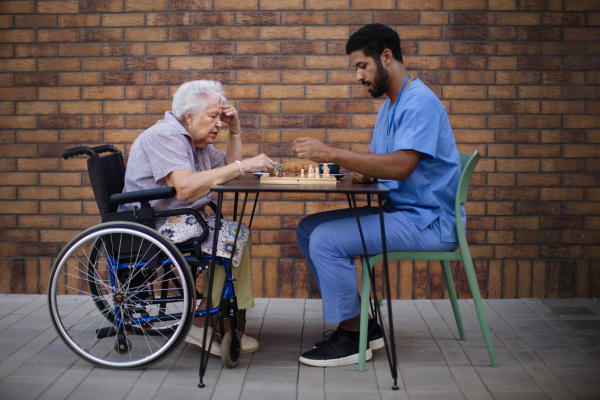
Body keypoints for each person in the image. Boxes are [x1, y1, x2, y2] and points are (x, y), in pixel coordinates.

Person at [292, 24, 465, 367]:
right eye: (356, 68)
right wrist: (366, 170)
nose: (358, 76)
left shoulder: (419, 103)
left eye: (362, 66)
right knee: (308, 229)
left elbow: (400, 166)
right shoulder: (389, 105)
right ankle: (365, 326)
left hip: (428, 222)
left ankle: (352, 337)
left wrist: (333, 152)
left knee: (326, 240)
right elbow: (386, 165)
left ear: (386, 57)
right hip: (401, 212)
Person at [121, 80, 275, 355]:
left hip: (179, 219)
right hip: (152, 224)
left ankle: (220, 317)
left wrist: (235, 130)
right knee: (228, 236)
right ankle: (204, 320)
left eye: (220, 117)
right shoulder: (166, 136)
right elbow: (186, 189)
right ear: (189, 116)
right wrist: (244, 165)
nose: (218, 123)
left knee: (237, 232)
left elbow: (227, 169)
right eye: (213, 116)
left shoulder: (195, 140)